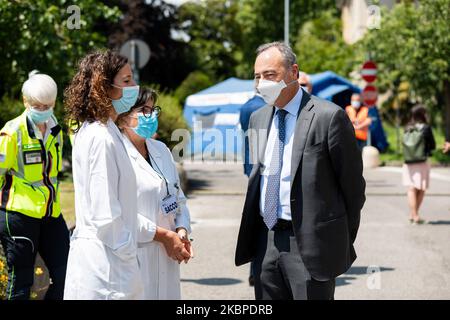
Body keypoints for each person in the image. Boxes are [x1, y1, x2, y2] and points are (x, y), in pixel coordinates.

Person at [235, 42, 366, 300]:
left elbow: (353, 190)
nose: (262, 83)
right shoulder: (258, 118)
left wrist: (334, 240)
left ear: (293, 72)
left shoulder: (329, 117)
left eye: (270, 75)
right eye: (257, 77)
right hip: (266, 240)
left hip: (310, 244)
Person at [63, 50, 146, 299]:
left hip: (109, 261)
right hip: (107, 266)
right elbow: (104, 214)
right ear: (104, 87)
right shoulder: (100, 137)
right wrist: (128, 250)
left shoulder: (105, 130)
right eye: (127, 80)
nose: (135, 87)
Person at [115, 87, 193, 299]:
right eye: (144, 110)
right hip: (137, 253)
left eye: (153, 109)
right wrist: (164, 236)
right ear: (122, 119)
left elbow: (178, 198)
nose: (152, 116)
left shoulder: (161, 150)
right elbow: (119, 214)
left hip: (168, 254)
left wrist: (182, 229)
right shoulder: (116, 154)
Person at [0, 72, 69, 300]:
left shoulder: (56, 129)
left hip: (50, 213)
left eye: (47, 105)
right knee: (21, 282)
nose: (43, 110)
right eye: (37, 105)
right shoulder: (12, 133)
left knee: (66, 276)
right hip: (18, 216)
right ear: (25, 102)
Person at [402, 105, 435, 225]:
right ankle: (415, 215)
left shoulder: (407, 127)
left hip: (408, 162)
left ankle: (413, 214)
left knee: (411, 188)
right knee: (421, 188)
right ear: (422, 114)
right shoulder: (426, 128)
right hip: (422, 161)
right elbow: (433, 145)